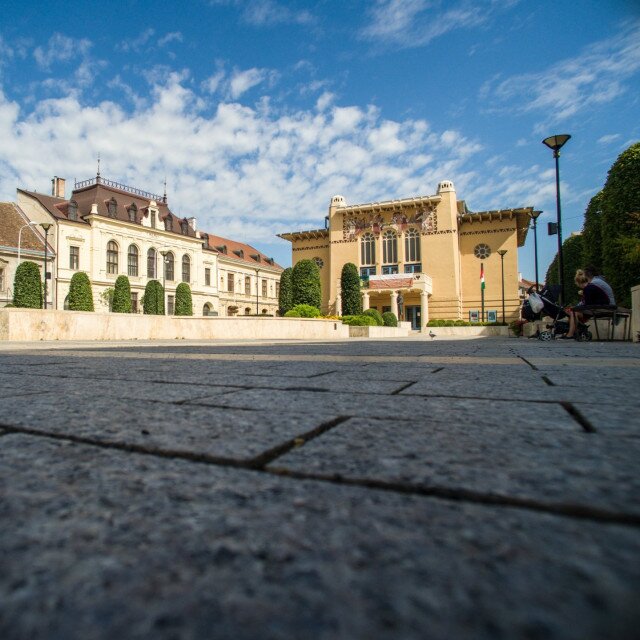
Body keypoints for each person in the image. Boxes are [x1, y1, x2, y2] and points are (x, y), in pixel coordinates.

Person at [561, 266, 615, 338]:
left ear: (586, 276)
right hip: (607, 305)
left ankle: (570, 334)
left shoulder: (591, 286)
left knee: (573, 312)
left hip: (604, 307)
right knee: (574, 312)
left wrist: (575, 308)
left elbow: (587, 304)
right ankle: (573, 332)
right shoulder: (598, 281)